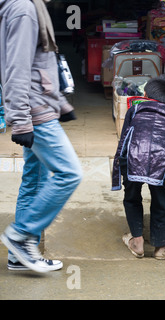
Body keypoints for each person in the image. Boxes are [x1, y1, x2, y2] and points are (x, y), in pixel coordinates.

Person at [0, 0, 83, 273]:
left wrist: (60, 103)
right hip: (34, 110)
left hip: (39, 105)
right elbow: (16, 67)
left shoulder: (29, 6)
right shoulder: (24, 8)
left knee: (35, 178)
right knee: (69, 173)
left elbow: (42, 64)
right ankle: (20, 235)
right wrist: (21, 119)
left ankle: (19, 256)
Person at [111, 75, 165, 260]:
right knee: (160, 200)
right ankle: (160, 249)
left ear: (145, 94)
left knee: (132, 197)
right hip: (162, 160)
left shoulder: (135, 109)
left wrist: (119, 164)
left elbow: (125, 137)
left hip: (134, 156)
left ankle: (138, 241)